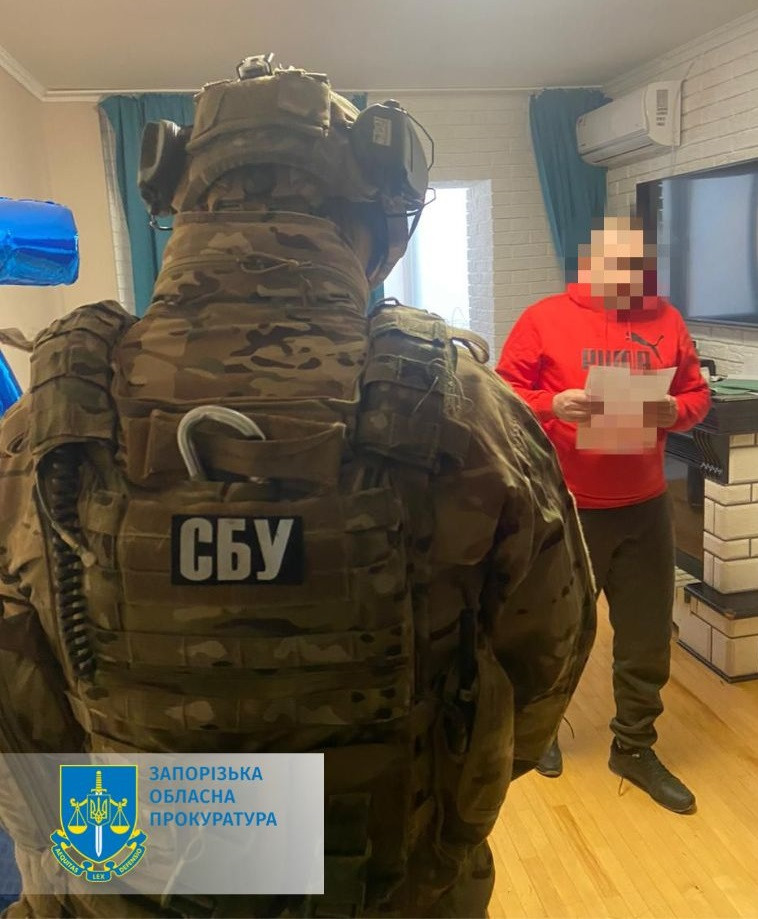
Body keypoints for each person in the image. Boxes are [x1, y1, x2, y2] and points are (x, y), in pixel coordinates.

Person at [0, 56, 595, 918]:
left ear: (181, 205)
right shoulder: (466, 412)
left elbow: (18, 699)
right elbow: (546, 664)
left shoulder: (47, 423)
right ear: (374, 216)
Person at [496, 215, 711, 814]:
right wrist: (552, 403)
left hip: (645, 508)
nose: (629, 280)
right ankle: (539, 731)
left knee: (646, 637)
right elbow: (503, 394)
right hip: (567, 506)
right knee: (554, 632)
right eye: (617, 266)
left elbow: (697, 396)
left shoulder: (665, 319)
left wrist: (675, 411)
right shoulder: (544, 318)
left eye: (638, 268)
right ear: (589, 264)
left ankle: (634, 746)